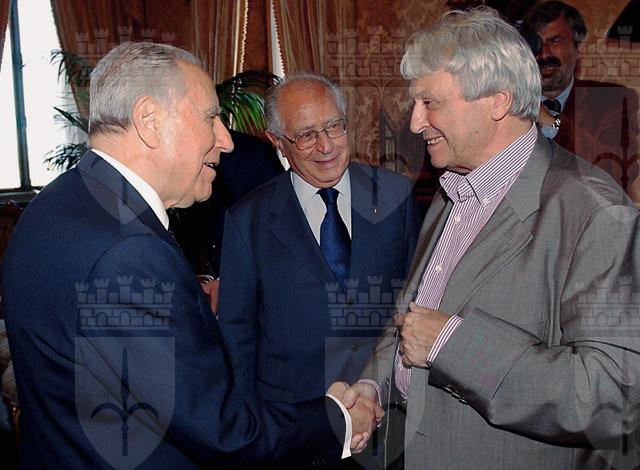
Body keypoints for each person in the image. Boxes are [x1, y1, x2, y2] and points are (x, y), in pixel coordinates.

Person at [1, 42, 382, 468]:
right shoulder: (129, 252)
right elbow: (225, 434)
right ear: (149, 121)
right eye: (211, 118)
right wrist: (338, 418)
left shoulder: (55, 203)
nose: (226, 141)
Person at [341, 7, 640, 470]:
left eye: (430, 103)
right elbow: (414, 319)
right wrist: (373, 388)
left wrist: (453, 346)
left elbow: (612, 399)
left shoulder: (596, 214)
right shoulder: (452, 189)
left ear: (498, 101)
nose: (415, 122)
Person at [216, 73, 420, 466]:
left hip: (386, 425)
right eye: (306, 135)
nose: (325, 146)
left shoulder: (396, 196)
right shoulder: (247, 220)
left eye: (334, 127)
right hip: (296, 433)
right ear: (278, 142)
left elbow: (416, 303)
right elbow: (237, 337)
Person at [524, 0, 640, 205]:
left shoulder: (612, 99)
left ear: (579, 47)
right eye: (537, 43)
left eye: (555, 41)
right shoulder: (506, 104)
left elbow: (619, 172)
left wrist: (551, 122)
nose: (545, 53)